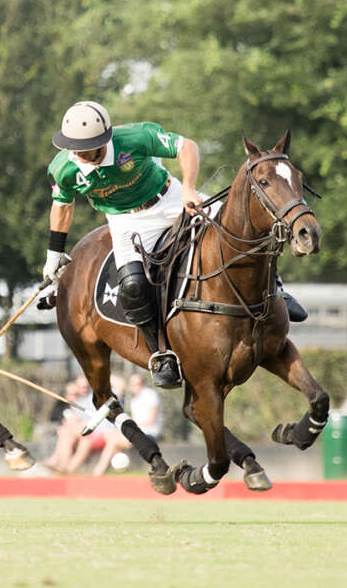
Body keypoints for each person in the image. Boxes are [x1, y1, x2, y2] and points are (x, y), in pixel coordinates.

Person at [42, 101, 306, 389]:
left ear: (104, 139)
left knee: (240, 234)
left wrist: (189, 189)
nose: (80, 155)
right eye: (75, 148)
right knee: (132, 285)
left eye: (87, 148)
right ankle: (161, 354)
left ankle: (278, 289)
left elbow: (186, 146)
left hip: (169, 198)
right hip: (125, 221)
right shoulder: (64, 168)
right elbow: (63, 206)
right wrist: (55, 252)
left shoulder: (134, 138)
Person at [92, 372, 162, 477]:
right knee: (112, 436)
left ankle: (99, 472)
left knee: (113, 441)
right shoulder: (134, 400)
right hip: (139, 430)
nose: (135, 387)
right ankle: (119, 468)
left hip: (149, 431)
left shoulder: (150, 395)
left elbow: (151, 419)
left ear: (143, 384)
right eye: (132, 384)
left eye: (138, 384)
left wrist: (130, 425)